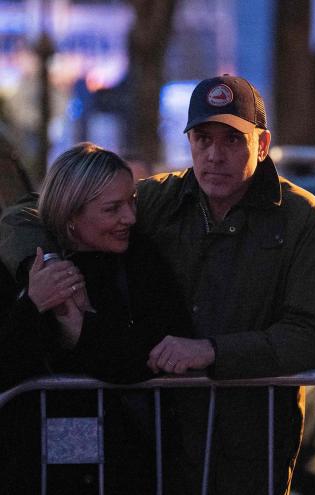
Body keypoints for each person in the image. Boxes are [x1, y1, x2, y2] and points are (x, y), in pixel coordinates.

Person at [1, 75, 315, 494]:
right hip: (164, 442)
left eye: (232, 139)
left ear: (262, 144)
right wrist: (50, 271)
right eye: (202, 138)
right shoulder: (159, 199)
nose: (215, 154)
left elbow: (307, 336)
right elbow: (26, 215)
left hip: (249, 440)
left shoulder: (301, 217)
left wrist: (211, 352)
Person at [0, 142, 193, 494]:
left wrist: (82, 332)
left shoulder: (142, 261)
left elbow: (164, 347)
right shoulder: (24, 265)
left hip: (128, 469)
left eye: (132, 201)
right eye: (112, 209)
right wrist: (34, 305)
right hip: (31, 470)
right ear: (71, 216)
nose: (130, 218)